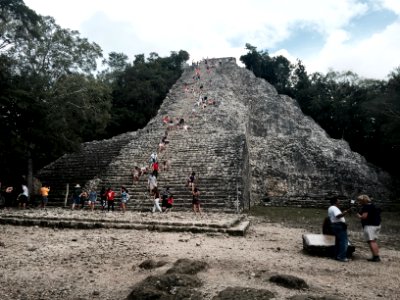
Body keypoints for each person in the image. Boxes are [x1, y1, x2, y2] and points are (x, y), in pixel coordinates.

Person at [357, 194, 382, 262]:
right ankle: (376, 255)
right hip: (377, 225)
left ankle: (376, 257)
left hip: (370, 226)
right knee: (373, 241)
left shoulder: (366, 207)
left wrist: (359, 216)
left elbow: (364, 217)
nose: (359, 202)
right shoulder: (373, 205)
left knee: (371, 241)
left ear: (363, 200)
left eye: (360, 201)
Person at [328, 197, 350, 262]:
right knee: (344, 241)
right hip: (339, 225)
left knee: (337, 241)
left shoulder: (330, 208)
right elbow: (338, 216)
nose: (339, 202)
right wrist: (345, 212)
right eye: (338, 201)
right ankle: (342, 256)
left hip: (335, 225)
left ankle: (337, 255)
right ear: (335, 202)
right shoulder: (335, 208)